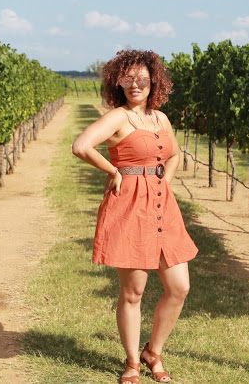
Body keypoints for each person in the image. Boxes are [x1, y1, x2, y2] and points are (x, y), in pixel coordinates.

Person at [72, 49, 198, 383]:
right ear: (118, 83)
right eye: (127, 78)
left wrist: (164, 183)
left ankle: (153, 352)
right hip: (129, 208)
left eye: (142, 78)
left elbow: (174, 155)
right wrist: (113, 170)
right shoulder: (118, 117)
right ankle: (132, 363)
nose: (135, 84)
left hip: (163, 207)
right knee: (133, 292)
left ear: (153, 81)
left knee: (179, 287)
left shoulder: (160, 118)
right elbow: (81, 146)